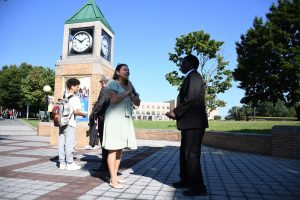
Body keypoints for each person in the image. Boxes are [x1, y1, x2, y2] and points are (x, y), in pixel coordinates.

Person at [166, 55, 208, 197]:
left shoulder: (195, 77)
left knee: (192, 155)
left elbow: (191, 98)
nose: (181, 64)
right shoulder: (190, 77)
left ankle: (198, 188)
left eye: (183, 62)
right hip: (189, 123)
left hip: (194, 123)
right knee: (185, 154)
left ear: (190, 64)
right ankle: (185, 181)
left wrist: (176, 112)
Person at [102, 64, 140, 189]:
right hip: (114, 119)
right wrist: (128, 92)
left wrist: (133, 95)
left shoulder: (130, 84)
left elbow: (137, 102)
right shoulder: (113, 83)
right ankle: (113, 180)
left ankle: (115, 176)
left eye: (128, 69)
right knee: (113, 148)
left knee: (119, 148)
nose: (127, 71)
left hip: (125, 119)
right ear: (117, 72)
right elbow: (113, 100)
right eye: (124, 69)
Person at [58, 78, 86, 171]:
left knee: (62, 143)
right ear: (72, 86)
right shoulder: (75, 98)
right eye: (77, 86)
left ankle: (62, 163)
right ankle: (70, 163)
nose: (78, 88)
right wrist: (83, 114)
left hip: (62, 123)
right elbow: (76, 111)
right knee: (70, 144)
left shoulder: (63, 96)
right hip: (70, 123)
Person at [90, 77, 110, 171]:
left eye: (101, 82)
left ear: (103, 83)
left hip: (103, 119)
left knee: (104, 142)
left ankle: (104, 165)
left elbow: (100, 104)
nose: (100, 84)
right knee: (109, 143)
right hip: (110, 120)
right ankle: (108, 165)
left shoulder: (104, 90)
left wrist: (94, 113)